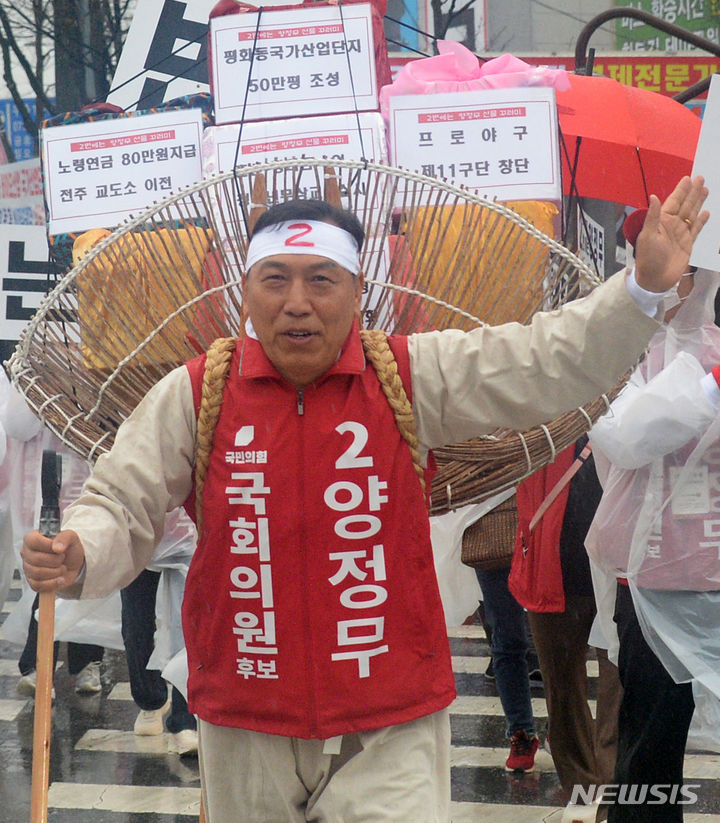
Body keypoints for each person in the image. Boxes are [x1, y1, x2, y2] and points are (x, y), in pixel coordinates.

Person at [21, 178, 708, 823]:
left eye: (321, 280)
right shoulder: (197, 393)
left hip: (390, 718)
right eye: (276, 279)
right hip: (245, 712)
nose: (298, 301)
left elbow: (539, 359)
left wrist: (642, 289)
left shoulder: (407, 374)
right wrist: (80, 549)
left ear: (355, 291)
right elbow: (119, 498)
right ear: (245, 293)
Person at [585, 206, 720, 822]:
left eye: (683, 259)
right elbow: (626, 435)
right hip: (649, 584)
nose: (669, 272)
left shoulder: (712, 342)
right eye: (650, 255)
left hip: (715, 577)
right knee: (650, 750)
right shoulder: (613, 350)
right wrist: (711, 386)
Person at [511, 435, 622, 820]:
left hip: (617, 569)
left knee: (620, 688)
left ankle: (610, 796)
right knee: (561, 688)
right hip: (551, 564)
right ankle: (581, 790)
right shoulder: (544, 406)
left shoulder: (635, 398)